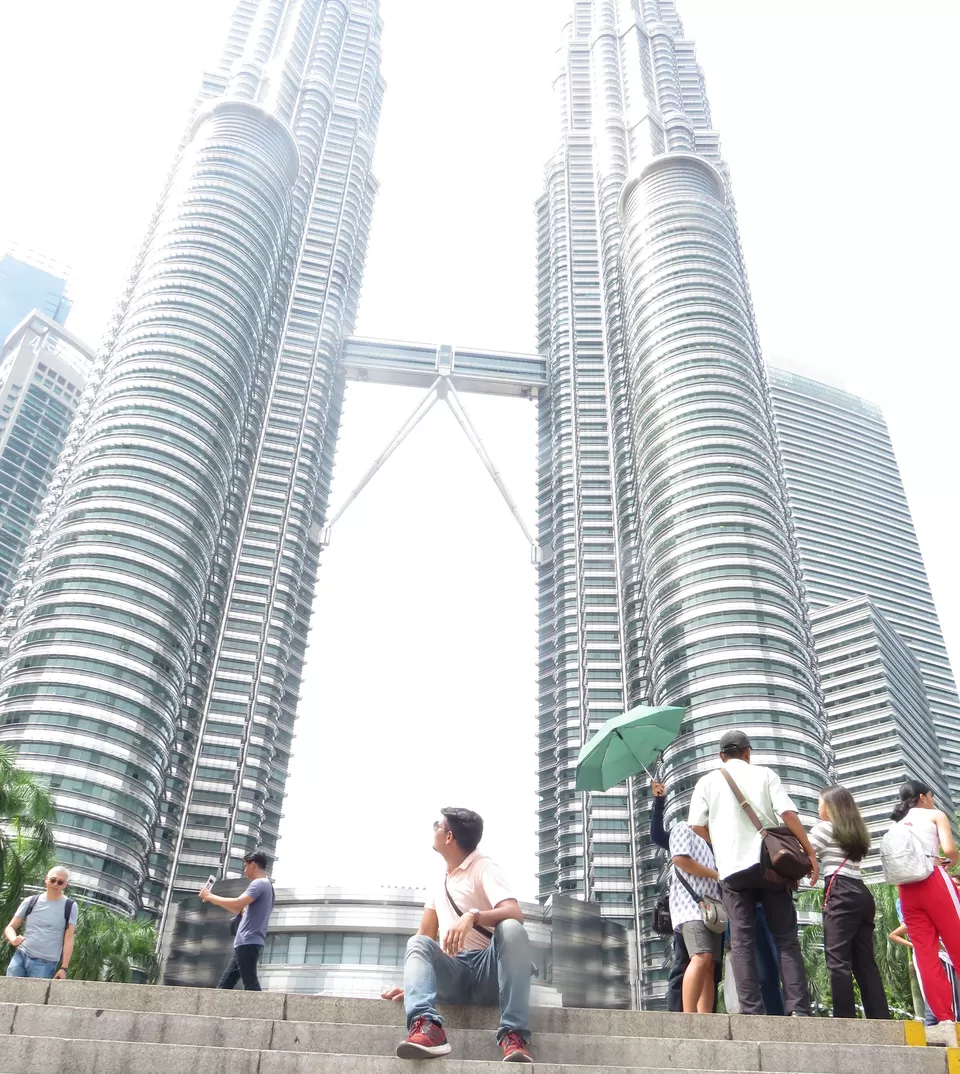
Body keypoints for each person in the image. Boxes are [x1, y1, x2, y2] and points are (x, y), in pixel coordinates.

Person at [381, 807, 533, 1063]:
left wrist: (472, 915)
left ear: (449, 837)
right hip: (454, 973)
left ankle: (513, 1035)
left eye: (436, 826)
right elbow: (425, 937)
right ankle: (428, 1028)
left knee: (511, 928)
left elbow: (514, 912)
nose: (433, 830)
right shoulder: (438, 882)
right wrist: (415, 985)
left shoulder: (484, 867)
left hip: (489, 973)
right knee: (417, 942)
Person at [688, 729, 816, 1016]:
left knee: (742, 941)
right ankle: (798, 1009)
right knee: (785, 938)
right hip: (771, 865)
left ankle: (751, 1011)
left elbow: (695, 825)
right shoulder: (765, 775)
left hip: (732, 870)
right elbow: (787, 814)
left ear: (721, 756)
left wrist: (720, 840)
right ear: (748, 752)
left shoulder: (706, 782)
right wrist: (809, 852)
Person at [888, 779, 960, 1045]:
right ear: (923, 797)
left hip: (907, 891)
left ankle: (944, 1019)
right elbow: (951, 852)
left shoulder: (895, 823)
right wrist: (948, 860)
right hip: (933, 883)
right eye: (930, 795)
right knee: (956, 944)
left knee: (926, 955)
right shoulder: (934, 814)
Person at [808, 785, 889, 1020]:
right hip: (861, 893)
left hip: (840, 892)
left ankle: (844, 1020)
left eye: (820, 802)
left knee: (837, 960)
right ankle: (880, 1018)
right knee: (865, 962)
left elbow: (806, 851)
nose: (818, 807)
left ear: (830, 806)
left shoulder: (825, 828)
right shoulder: (856, 832)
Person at [200, 849, 275, 991]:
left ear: (253, 864)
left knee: (250, 983)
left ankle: (264, 1012)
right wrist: (213, 899)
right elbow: (239, 909)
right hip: (247, 942)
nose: (244, 871)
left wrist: (210, 896)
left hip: (248, 941)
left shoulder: (259, 884)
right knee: (225, 985)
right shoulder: (268, 887)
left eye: (245, 866)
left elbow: (238, 903)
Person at [667, 819, 722, 1012]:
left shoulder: (714, 838)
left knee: (710, 965)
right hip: (690, 906)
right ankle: (688, 1017)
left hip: (713, 910)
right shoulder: (683, 827)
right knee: (701, 955)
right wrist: (715, 874)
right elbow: (680, 859)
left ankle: (704, 1019)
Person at [4, 866, 76, 979]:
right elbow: (10, 927)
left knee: (34, 996)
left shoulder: (70, 906)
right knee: (9, 993)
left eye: (60, 882)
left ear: (65, 885)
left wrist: (64, 968)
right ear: (46, 879)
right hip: (21, 955)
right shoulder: (31, 901)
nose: (55, 884)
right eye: (53, 880)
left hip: (45, 963)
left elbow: (69, 938)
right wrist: (13, 939)